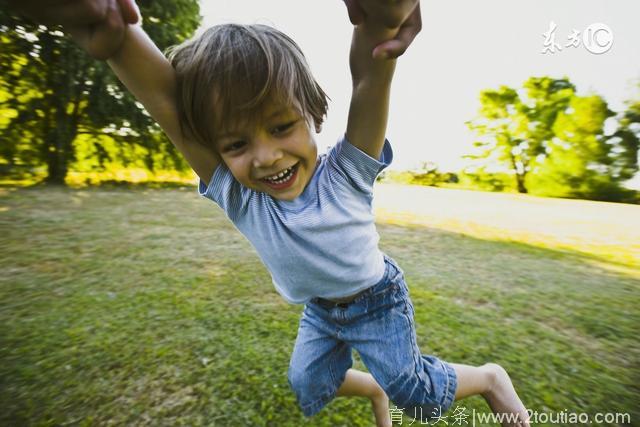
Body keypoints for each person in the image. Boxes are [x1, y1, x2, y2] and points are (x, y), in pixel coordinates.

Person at [8, 1, 531, 426]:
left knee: (415, 396)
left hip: (376, 301)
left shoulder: (345, 174)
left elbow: (370, 82)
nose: (265, 157)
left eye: (281, 127)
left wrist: (382, 22)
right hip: (321, 310)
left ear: (311, 112)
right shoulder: (239, 196)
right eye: (235, 143)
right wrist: (116, 39)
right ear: (214, 147)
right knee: (307, 384)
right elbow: (166, 104)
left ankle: (488, 377)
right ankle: (373, 385)